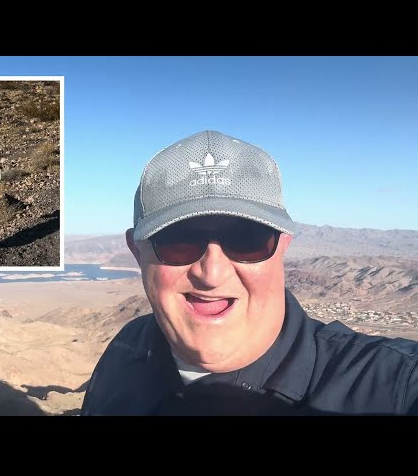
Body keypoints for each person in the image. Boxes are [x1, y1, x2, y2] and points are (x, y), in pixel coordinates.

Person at [81, 129, 418, 415]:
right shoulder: (127, 350)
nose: (211, 273)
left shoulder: (391, 384)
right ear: (137, 252)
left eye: (247, 240)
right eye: (179, 241)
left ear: (283, 245)